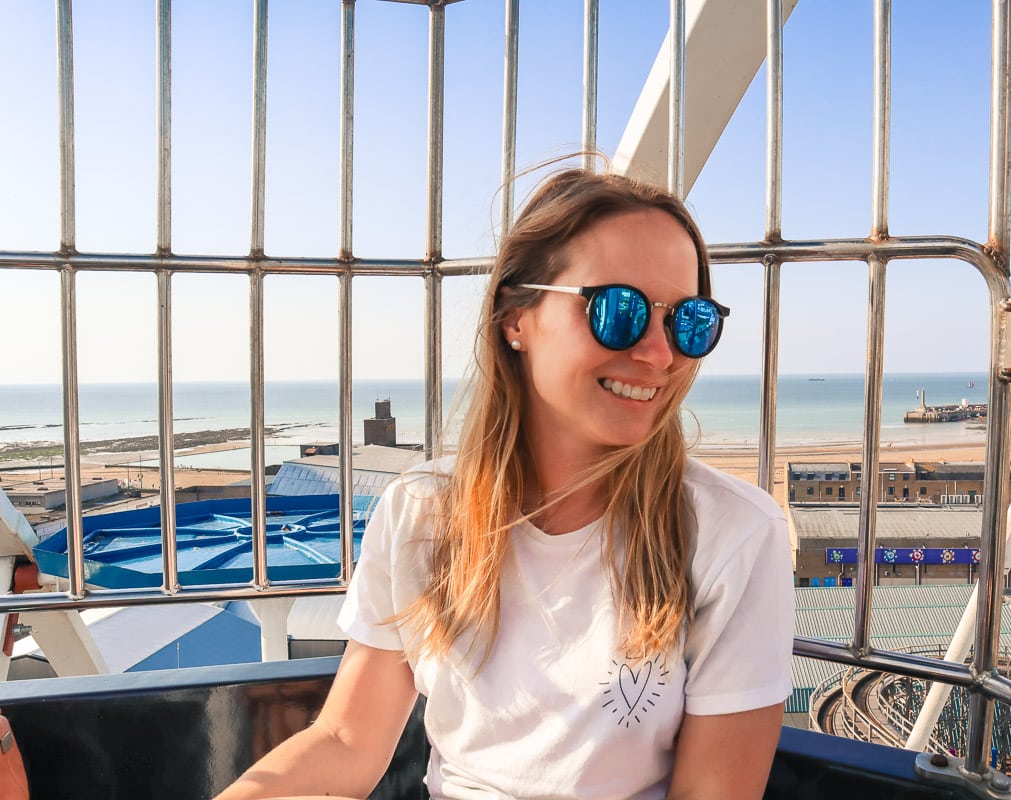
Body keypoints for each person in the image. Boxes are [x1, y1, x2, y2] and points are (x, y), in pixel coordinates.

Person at [215, 168, 796, 800]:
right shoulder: (420, 512)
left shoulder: (732, 534)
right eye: (618, 311)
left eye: (689, 322)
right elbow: (349, 742)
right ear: (516, 317)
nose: (660, 355)